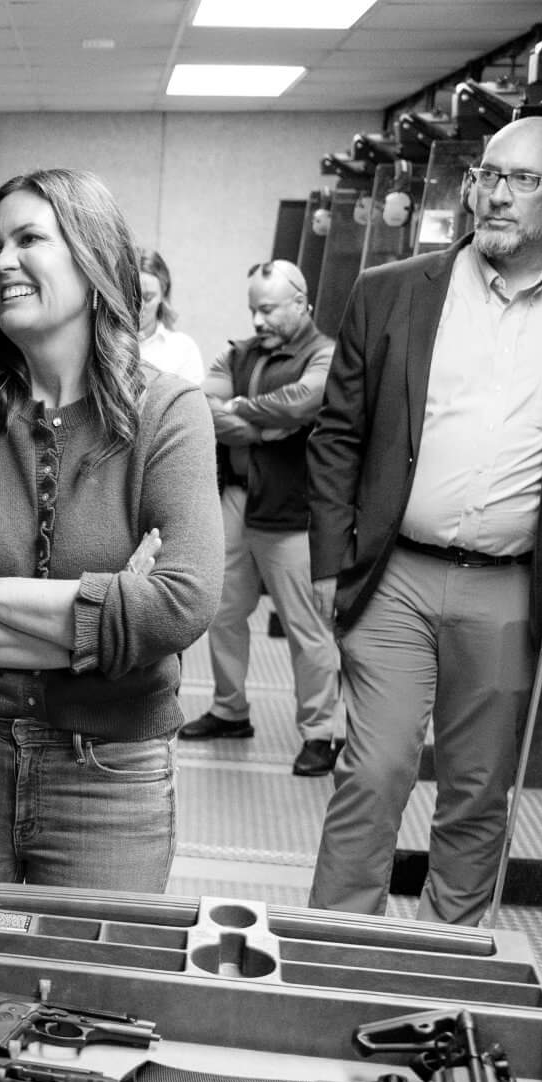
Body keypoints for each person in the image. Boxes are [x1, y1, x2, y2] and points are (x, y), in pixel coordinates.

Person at [307, 115, 542, 923]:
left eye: (521, 180)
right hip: (394, 577)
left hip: (512, 585)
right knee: (373, 773)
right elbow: (339, 433)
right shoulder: (391, 291)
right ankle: (331, 951)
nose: (496, 196)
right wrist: (330, 562)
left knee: (478, 791)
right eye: (487, 176)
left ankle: (444, 970)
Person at [0, 168, 221, 998]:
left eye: (30, 238)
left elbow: (181, 602)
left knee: (89, 1025)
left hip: (111, 770)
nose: (1, 260)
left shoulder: (168, 413)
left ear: (94, 257)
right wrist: (101, 623)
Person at [181, 258, 347, 777]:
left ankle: (320, 732)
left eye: (269, 309)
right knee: (223, 614)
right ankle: (230, 709)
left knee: (307, 628)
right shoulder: (240, 352)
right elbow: (201, 404)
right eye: (253, 309)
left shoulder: (325, 354)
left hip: (293, 513)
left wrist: (242, 409)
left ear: (302, 303)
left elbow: (307, 400)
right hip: (236, 502)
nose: (257, 321)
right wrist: (264, 425)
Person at [133, 247, 206, 385]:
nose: (140, 307)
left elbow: (192, 405)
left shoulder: (183, 348)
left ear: (163, 294)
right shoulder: (104, 345)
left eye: (148, 297)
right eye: (133, 297)